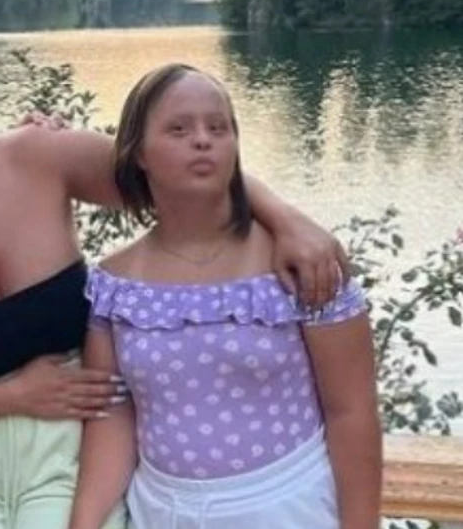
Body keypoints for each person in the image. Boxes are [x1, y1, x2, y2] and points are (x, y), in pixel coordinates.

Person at [0, 8, 352, 529]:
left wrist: (288, 220)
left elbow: (179, 173)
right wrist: (12, 396)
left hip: (72, 450)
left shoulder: (40, 159)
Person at [69, 64, 381, 529]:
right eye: (179, 129)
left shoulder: (299, 263)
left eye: (218, 128)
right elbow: (114, 414)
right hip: (162, 509)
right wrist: (83, 523)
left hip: (286, 503)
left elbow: (351, 411)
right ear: (139, 153)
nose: (203, 140)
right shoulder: (116, 284)